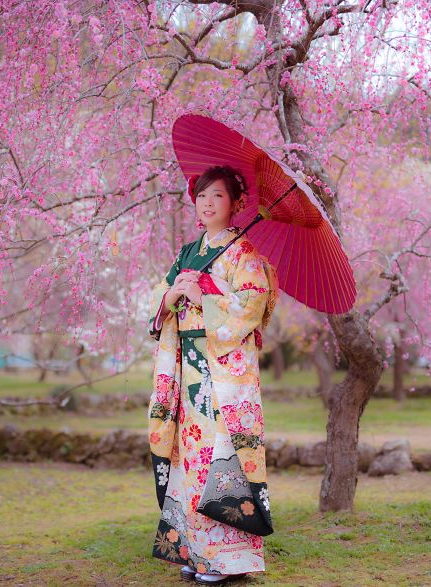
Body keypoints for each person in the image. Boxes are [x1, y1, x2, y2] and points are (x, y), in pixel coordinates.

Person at [147, 165, 279, 584]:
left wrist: (205, 294)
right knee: (189, 456)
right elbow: (161, 299)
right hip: (188, 367)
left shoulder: (245, 253)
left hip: (222, 373)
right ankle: (197, 551)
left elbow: (253, 304)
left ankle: (227, 560)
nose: (207, 203)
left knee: (218, 456)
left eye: (217, 195)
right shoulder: (188, 251)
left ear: (236, 203)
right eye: (202, 195)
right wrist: (172, 295)